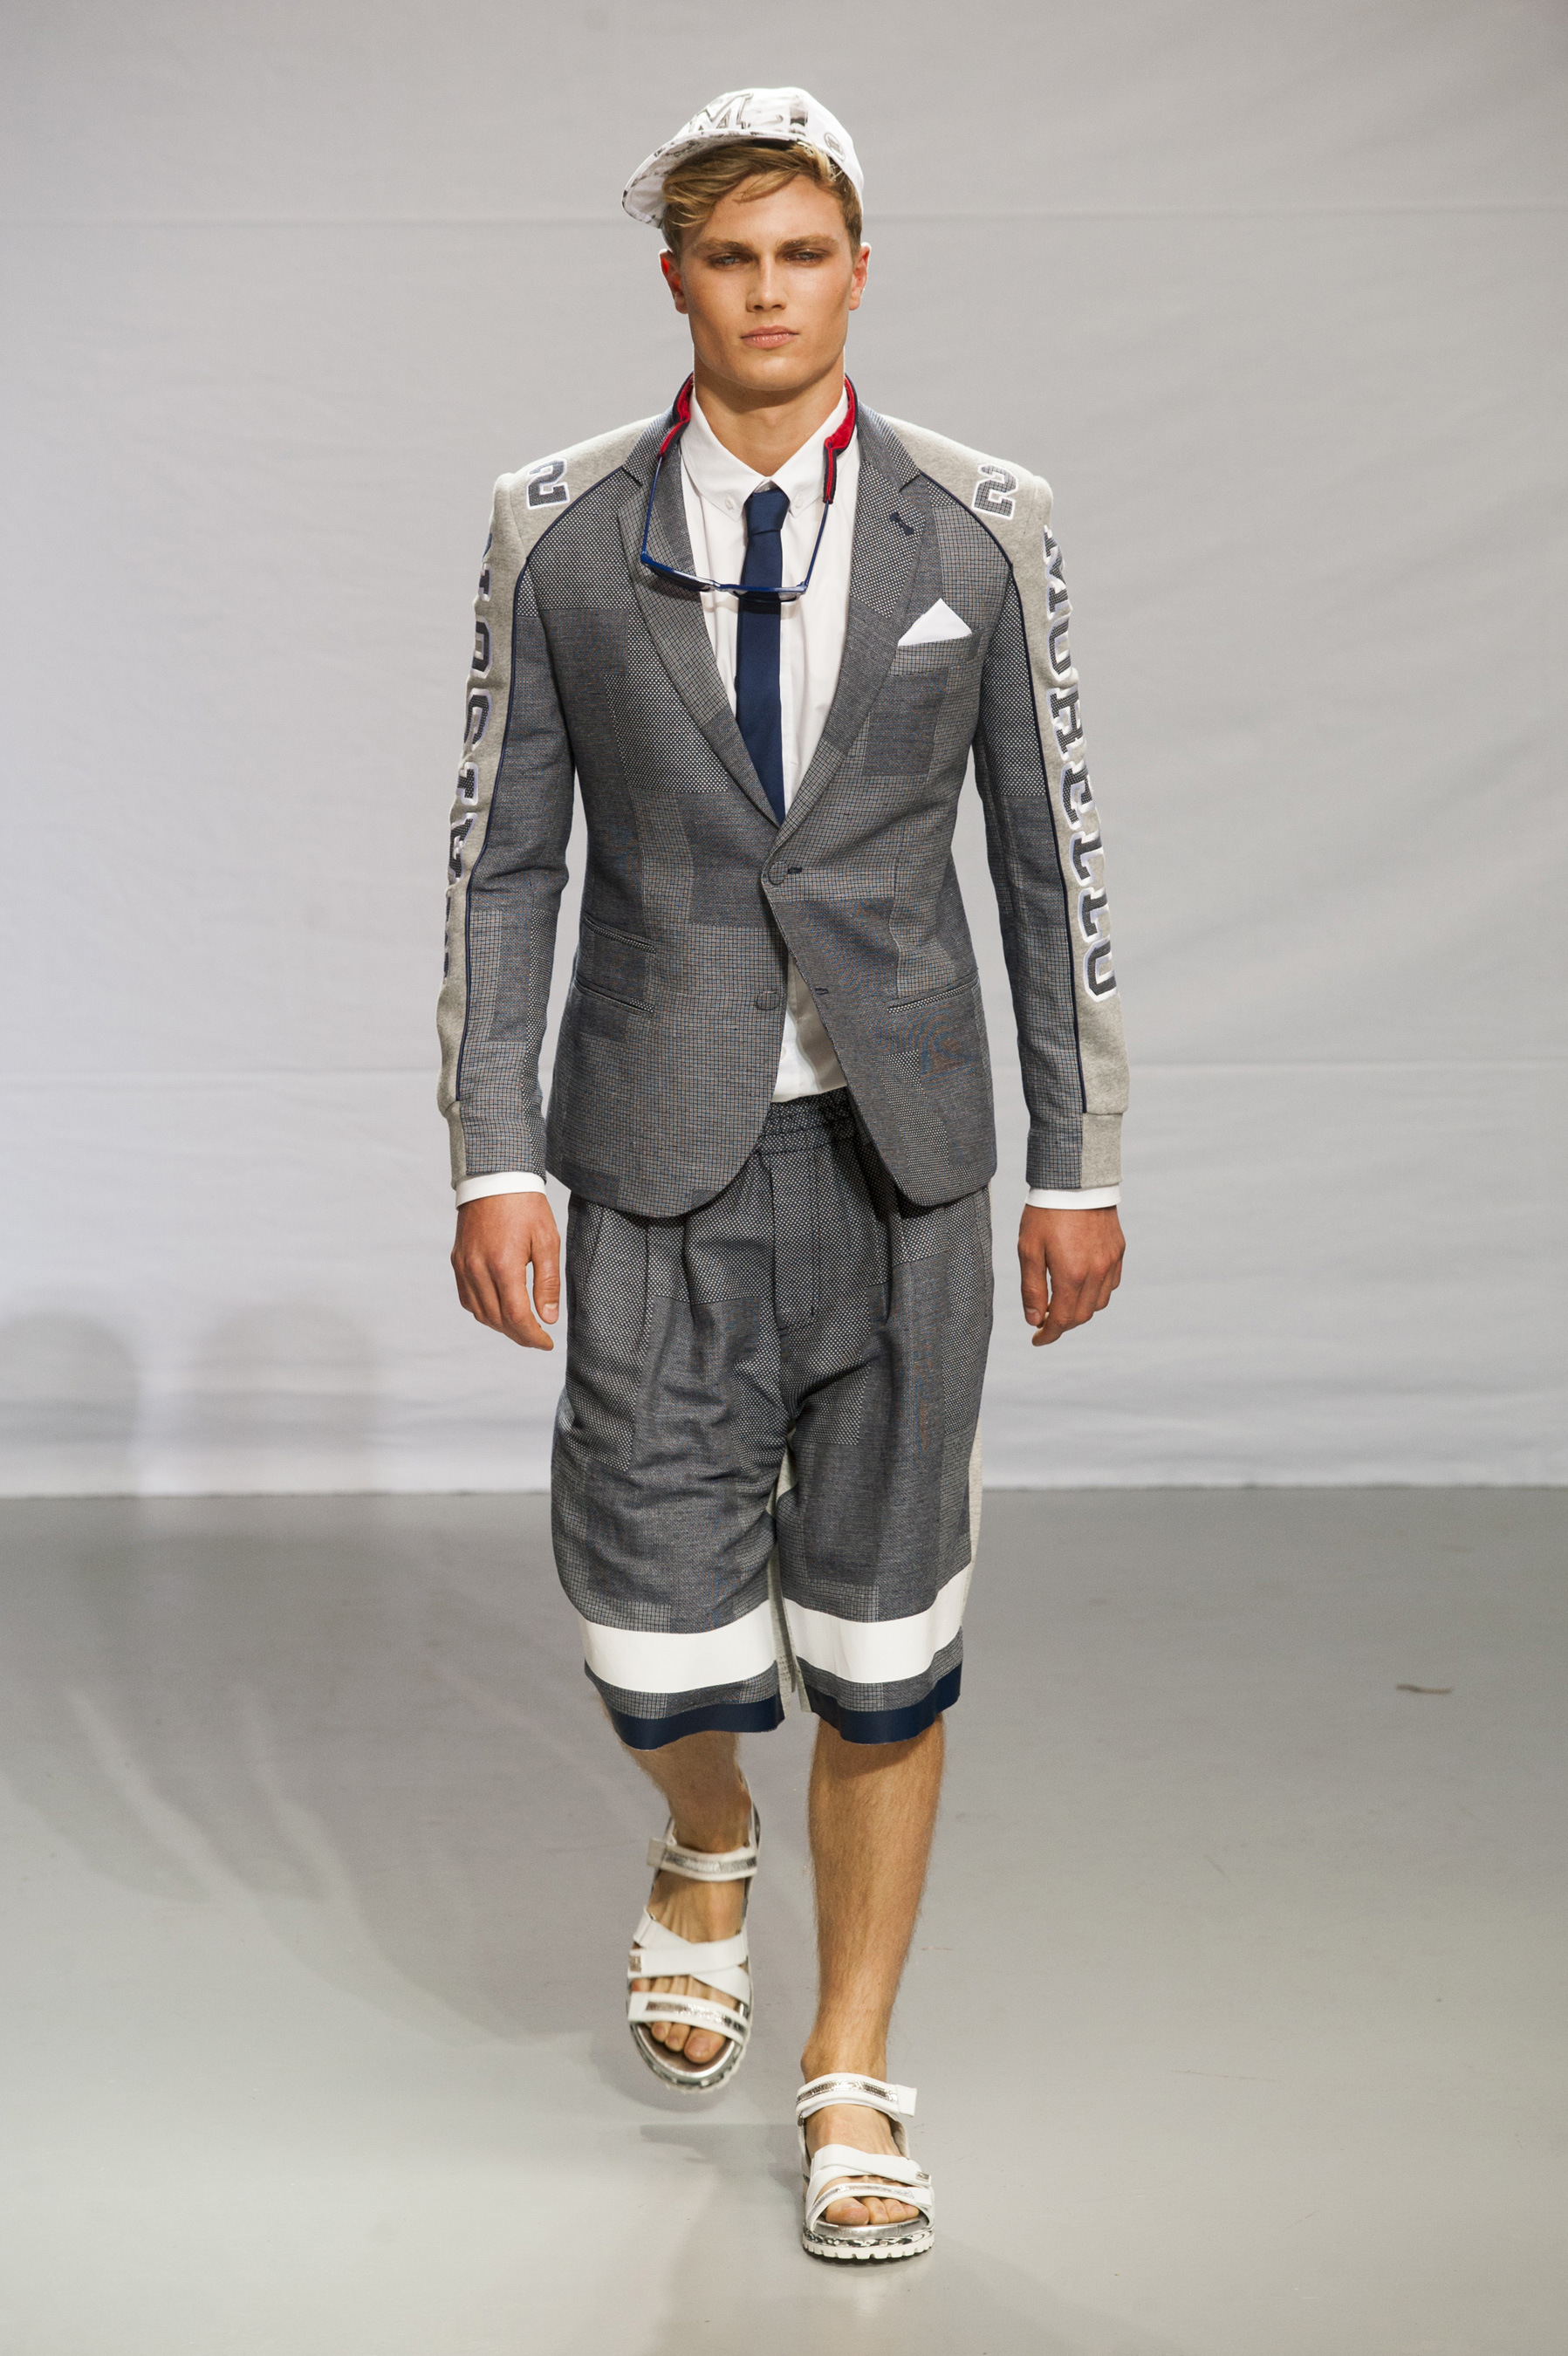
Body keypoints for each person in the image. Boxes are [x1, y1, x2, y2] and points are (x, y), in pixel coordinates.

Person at [438, 86, 1127, 2262]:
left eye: (801, 255)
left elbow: (1047, 865)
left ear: (856, 271)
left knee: (886, 1634)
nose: (765, 294)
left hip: (906, 1163)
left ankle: (847, 2073)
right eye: (728, 259)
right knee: (656, 1645)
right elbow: (502, 865)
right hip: (651, 1150)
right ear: (676, 281)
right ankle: (705, 1834)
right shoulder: (555, 527)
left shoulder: (979, 526)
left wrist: (1077, 1160)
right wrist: (487, 1152)